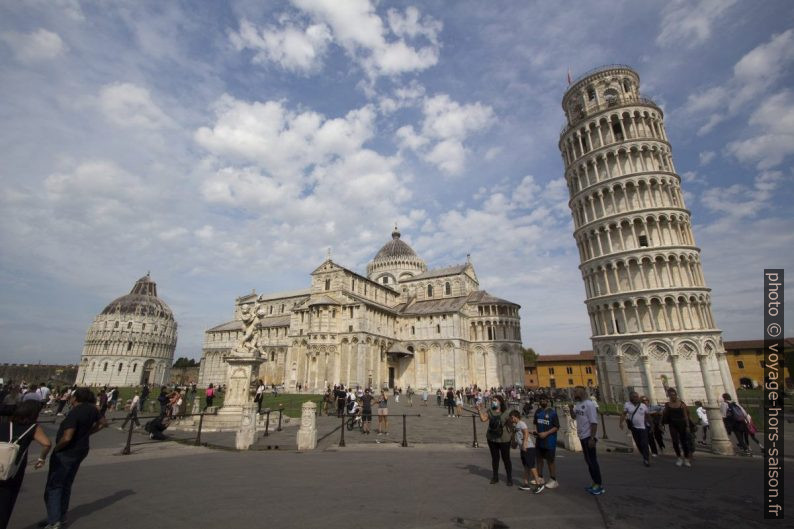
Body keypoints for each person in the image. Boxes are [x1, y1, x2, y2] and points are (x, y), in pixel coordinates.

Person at [44, 388, 107, 528]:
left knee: (55, 485)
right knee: (67, 483)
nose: (70, 399)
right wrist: (88, 433)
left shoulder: (75, 412)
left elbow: (67, 437)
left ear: (76, 398)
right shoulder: (93, 410)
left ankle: (54, 520)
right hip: (82, 449)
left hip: (67, 451)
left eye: (72, 397)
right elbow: (103, 423)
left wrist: (57, 448)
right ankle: (60, 516)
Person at [0, 401, 52, 529]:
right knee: (5, 503)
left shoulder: (4, 423)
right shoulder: (33, 427)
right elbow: (47, 443)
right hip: (13, 470)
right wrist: (42, 458)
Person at [573, 386, 604, 495]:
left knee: (592, 461)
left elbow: (594, 422)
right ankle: (594, 482)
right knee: (588, 461)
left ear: (582, 392)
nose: (574, 393)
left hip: (588, 437)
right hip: (582, 436)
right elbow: (574, 417)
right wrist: (572, 409)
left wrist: (592, 438)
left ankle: (599, 485)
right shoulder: (578, 404)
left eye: (575, 391)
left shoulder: (589, 404)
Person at [477, 394, 513, 486]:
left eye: (495, 400)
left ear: (500, 402)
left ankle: (509, 478)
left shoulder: (506, 412)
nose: (493, 401)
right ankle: (495, 477)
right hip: (492, 438)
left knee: (506, 459)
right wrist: (479, 410)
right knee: (495, 458)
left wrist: (513, 438)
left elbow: (511, 426)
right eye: (492, 400)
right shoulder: (490, 411)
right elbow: (483, 419)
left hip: (504, 438)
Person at [510, 410, 544, 493]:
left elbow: (526, 432)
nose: (511, 420)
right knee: (526, 466)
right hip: (523, 448)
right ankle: (526, 484)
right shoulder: (516, 426)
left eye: (511, 418)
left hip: (528, 448)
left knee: (531, 466)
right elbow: (517, 439)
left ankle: (539, 484)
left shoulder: (521, 423)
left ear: (514, 417)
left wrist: (525, 444)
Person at [533, 394, 560, 489]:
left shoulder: (552, 413)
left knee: (550, 460)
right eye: (541, 399)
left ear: (548, 400)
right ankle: (540, 477)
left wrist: (546, 433)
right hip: (539, 440)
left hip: (550, 440)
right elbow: (535, 423)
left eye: (544, 399)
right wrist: (536, 431)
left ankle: (553, 479)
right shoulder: (538, 411)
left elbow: (556, 427)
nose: (542, 401)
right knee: (539, 459)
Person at [620, 391, 651, 467]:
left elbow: (647, 416)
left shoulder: (643, 406)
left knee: (644, 443)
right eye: (634, 397)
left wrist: (651, 425)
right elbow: (623, 414)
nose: (636, 398)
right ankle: (644, 454)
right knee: (638, 444)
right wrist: (620, 423)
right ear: (631, 398)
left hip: (643, 428)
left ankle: (646, 459)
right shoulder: (627, 405)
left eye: (637, 397)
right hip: (634, 428)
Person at [662, 388, 693, 467]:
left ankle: (686, 458)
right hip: (672, 424)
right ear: (668, 396)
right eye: (671, 395)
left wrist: (688, 426)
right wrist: (661, 422)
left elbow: (686, 415)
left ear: (676, 395)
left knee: (684, 442)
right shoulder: (667, 405)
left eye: (674, 395)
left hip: (682, 424)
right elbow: (664, 414)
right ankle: (679, 457)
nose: (673, 397)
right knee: (675, 441)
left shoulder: (682, 404)